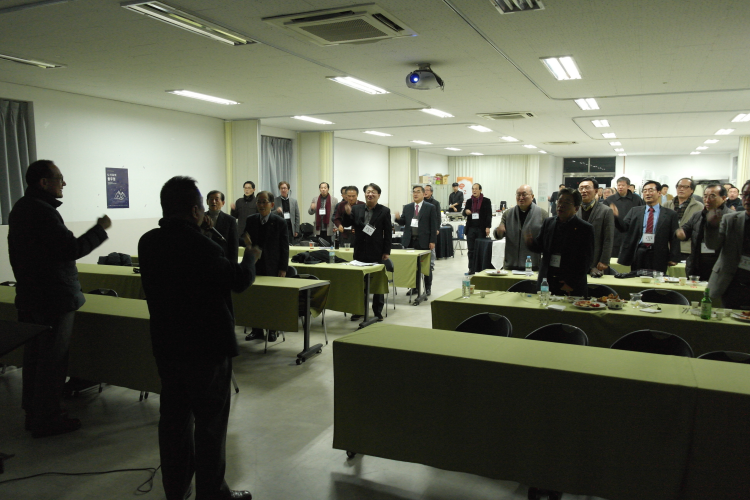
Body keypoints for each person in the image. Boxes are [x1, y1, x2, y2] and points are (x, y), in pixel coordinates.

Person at [139, 176, 258, 500]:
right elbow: (237, 280)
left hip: (167, 345)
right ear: (195, 211)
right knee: (210, 425)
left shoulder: (148, 242)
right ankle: (212, 493)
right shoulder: (203, 246)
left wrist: (202, 233)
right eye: (203, 208)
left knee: (174, 422)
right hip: (207, 350)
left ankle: (176, 490)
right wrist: (250, 256)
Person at [8, 160, 111, 437]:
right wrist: (100, 229)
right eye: (59, 178)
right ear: (44, 182)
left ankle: (33, 412)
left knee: (34, 358)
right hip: (54, 299)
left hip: (29, 295)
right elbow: (71, 249)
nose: (63, 183)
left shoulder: (20, 208)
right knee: (52, 361)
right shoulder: (44, 212)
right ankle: (47, 418)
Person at [525, 188, 594, 296]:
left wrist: (571, 283)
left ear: (576, 208)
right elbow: (540, 247)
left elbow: (586, 260)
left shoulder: (584, 228)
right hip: (547, 280)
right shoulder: (549, 222)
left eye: (566, 202)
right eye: (560, 201)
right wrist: (530, 242)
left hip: (570, 284)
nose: (561, 205)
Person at [244, 191, 289, 342]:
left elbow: (284, 247)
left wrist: (283, 268)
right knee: (255, 298)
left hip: (272, 266)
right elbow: (244, 238)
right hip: (254, 265)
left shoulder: (279, 222)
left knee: (271, 299)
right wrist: (245, 240)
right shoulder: (251, 220)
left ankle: (272, 329)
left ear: (272, 204)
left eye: (264, 202)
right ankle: (256, 329)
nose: (261, 205)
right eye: (259, 202)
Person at [342, 183, 392, 322]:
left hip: (377, 250)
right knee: (359, 283)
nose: (370, 194)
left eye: (373, 192)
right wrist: (347, 213)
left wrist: (386, 251)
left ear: (378, 195)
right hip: (359, 250)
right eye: (368, 192)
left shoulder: (384, 211)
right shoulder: (356, 208)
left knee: (377, 283)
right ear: (365, 194)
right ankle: (359, 310)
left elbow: (388, 233)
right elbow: (346, 223)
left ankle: (377, 311)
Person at [611, 180, 681, 273]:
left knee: (657, 279)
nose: (647, 193)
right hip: (639, 252)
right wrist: (616, 217)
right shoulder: (635, 211)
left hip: (659, 253)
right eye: (645, 191)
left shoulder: (670, 214)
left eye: (651, 190)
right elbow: (624, 228)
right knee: (636, 278)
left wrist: (674, 257)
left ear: (659, 193)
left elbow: (674, 237)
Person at [704, 180, 750, 308]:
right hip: (731, 281)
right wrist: (712, 226)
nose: (747, 199)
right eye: (745, 195)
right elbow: (713, 245)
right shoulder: (731, 219)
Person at [677, 184, 730, 281]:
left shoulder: (731, 217)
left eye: (712, 196)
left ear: (723, 198)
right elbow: (685, 230)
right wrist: (680, 233)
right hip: (696, 266)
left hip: (719, 267)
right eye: (705, 196)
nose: (707, 200)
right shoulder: (698, 215)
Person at [394, 186, 438, 296]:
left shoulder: (430, 207)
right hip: (410, 241)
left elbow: (434, 225)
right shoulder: (408, 207)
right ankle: (414, 288)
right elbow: (403, 222)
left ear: (423, 194)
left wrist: (432, 241)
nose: (415, 194)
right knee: (412, 267)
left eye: (418, 192)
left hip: (424, 241)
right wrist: (398, 219)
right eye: (414, 192)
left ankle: (427, 288)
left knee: (426, 267)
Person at [493, 184, 546, 271]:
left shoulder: (542, 214)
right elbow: (498, 235)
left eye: (524, 194)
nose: (521, 198)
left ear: (532, 196)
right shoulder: (508, 214)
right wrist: (499, 232)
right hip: (510, 266)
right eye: (518, 195)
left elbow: (546, 241)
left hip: (532, 266)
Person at [577, 178, 614, 276]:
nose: (583, 191)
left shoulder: (606, 211)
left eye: (587, 188)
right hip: (576, 259)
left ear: (596, 191)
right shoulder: (574, 210)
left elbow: (608, 238)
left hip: (595, 260)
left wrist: (604, 261)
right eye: (581, 188)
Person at [603, 176, 645, 257]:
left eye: (623, 185)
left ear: (628, 186)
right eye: (619, 185)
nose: (620, 187)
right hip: (615, 234)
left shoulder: (636, 199)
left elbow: (642, 214)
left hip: (631, 233)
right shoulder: (610, 200)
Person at [665, 178, 704, 261]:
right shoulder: (667, 205)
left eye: (685, 187)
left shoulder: (699, 207)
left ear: (692, 190)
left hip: (687, 249)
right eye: (679, 186)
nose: (681, 189)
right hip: (668, 247)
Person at [464, 183, 493, 274]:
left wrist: (488, 227)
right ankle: (471, 268)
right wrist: (466, 211)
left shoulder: (486, 201)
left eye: (476, 189)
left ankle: (481, 268)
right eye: (473, 189)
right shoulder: (469, 201)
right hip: (471, 229)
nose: (474, 190)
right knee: (471, 250)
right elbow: (464, 212)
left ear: (480, 190)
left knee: (480, 249)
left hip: (481, 229)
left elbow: (489, 215)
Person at [205, 190, 239, 263]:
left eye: (216, 199)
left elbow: (234, 245)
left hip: (222, 260)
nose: (213, 202)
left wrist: (233, 265)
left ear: (223, 203)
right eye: (211, 199)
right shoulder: (201, 217)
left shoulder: (230, 220)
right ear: (207, 201)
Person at [423, 184, 440, 283]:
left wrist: (437, 228)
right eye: (424, 190)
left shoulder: (435, 203)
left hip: (431, 228)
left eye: (427, 190)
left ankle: (431, 264)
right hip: (423, 229)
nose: (425, 192)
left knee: (431, 248)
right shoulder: (420, 202)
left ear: (431, 192)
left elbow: (438, 217)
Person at [231, 181, 257, 245]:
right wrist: (233, 210)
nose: (246, 190)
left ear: (254, 189)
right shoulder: (239, 201)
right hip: (240, 232)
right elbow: (234, 216)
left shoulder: (257, 202)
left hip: (252, 233)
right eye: (245, 188)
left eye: (249, 188)